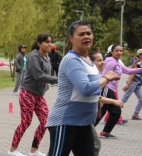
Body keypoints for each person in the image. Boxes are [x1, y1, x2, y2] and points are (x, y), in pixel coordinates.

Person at [45, 21, 120, 156]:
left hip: (84, 123)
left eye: (88, 33)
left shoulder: (89, 60)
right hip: (66, 121)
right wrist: (107, 78)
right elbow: (86, 88)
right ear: (71, 38)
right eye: (81, 34)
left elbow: (95, 88)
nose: (86, 36)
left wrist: (97, 105)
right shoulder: (72, 60)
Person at [8, 33, 58, 156]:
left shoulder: (47, 57)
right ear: (39, 43)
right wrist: (57, 79)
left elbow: (45, 74)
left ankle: (33, 151)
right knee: (26, 122)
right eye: (46, 42)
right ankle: (12, 150)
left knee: (46, 121)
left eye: (50, 42)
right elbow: (38, 75)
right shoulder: (33, 57)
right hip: (28, 93)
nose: (49, 44)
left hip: (39, 95)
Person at [96, 44, 142, 138]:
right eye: (117, 51)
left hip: (111, 90)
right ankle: (87, 131)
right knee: (100, 112)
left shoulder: (117, 61)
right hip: (107, 89)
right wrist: (102, 87)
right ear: (112, 52)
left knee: (116, 112)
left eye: (121, 51)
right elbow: (104, 75)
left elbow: (128, 71)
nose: (119, 52)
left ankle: (105, 132)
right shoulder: (111, 62)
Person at [88, 50, 125, 156]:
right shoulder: (92, 77)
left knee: (94, 145)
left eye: (102, 60)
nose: (103, 62)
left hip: (87, 117)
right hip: (79, 118)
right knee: (93, 145)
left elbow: (127, 70)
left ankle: (105, 131)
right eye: (99, 60)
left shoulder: (98, 74)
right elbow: (95, 96)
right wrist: (114, 100)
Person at [120, 48, 142, 120]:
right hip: (133, 83)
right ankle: (113, 114)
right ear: (139, 55)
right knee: (123, 99)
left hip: (138, 84)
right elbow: (132, 73)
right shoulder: (138, 63)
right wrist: (128, 84)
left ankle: (135, 114)